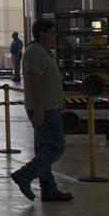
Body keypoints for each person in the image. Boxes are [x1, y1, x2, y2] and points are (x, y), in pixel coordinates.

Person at [10, 19, 72, 203]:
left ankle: (49, 189)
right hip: (43, 108)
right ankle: (25, 175)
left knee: (44, 148)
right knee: (56, 146)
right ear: (42, 33)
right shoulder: (35, 52)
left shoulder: (42, 51)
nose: (55, 36)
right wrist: (39, 108)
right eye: (52, 32)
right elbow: (33, 80)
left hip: (48, 106)